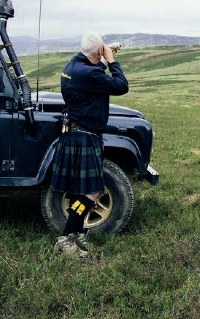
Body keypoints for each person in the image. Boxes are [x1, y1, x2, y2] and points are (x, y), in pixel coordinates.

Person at [51, 32, 129, 256]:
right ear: (97, 52)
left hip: (76, 134)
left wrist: (102, 57)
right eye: (101, 50)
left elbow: (93, 72)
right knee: (92, 193)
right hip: (83, 136)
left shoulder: (74, 65)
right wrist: (112, 61)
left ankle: (77, 234)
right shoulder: (89, 73)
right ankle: (66, 238)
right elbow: (121, 86)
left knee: (80, 192)